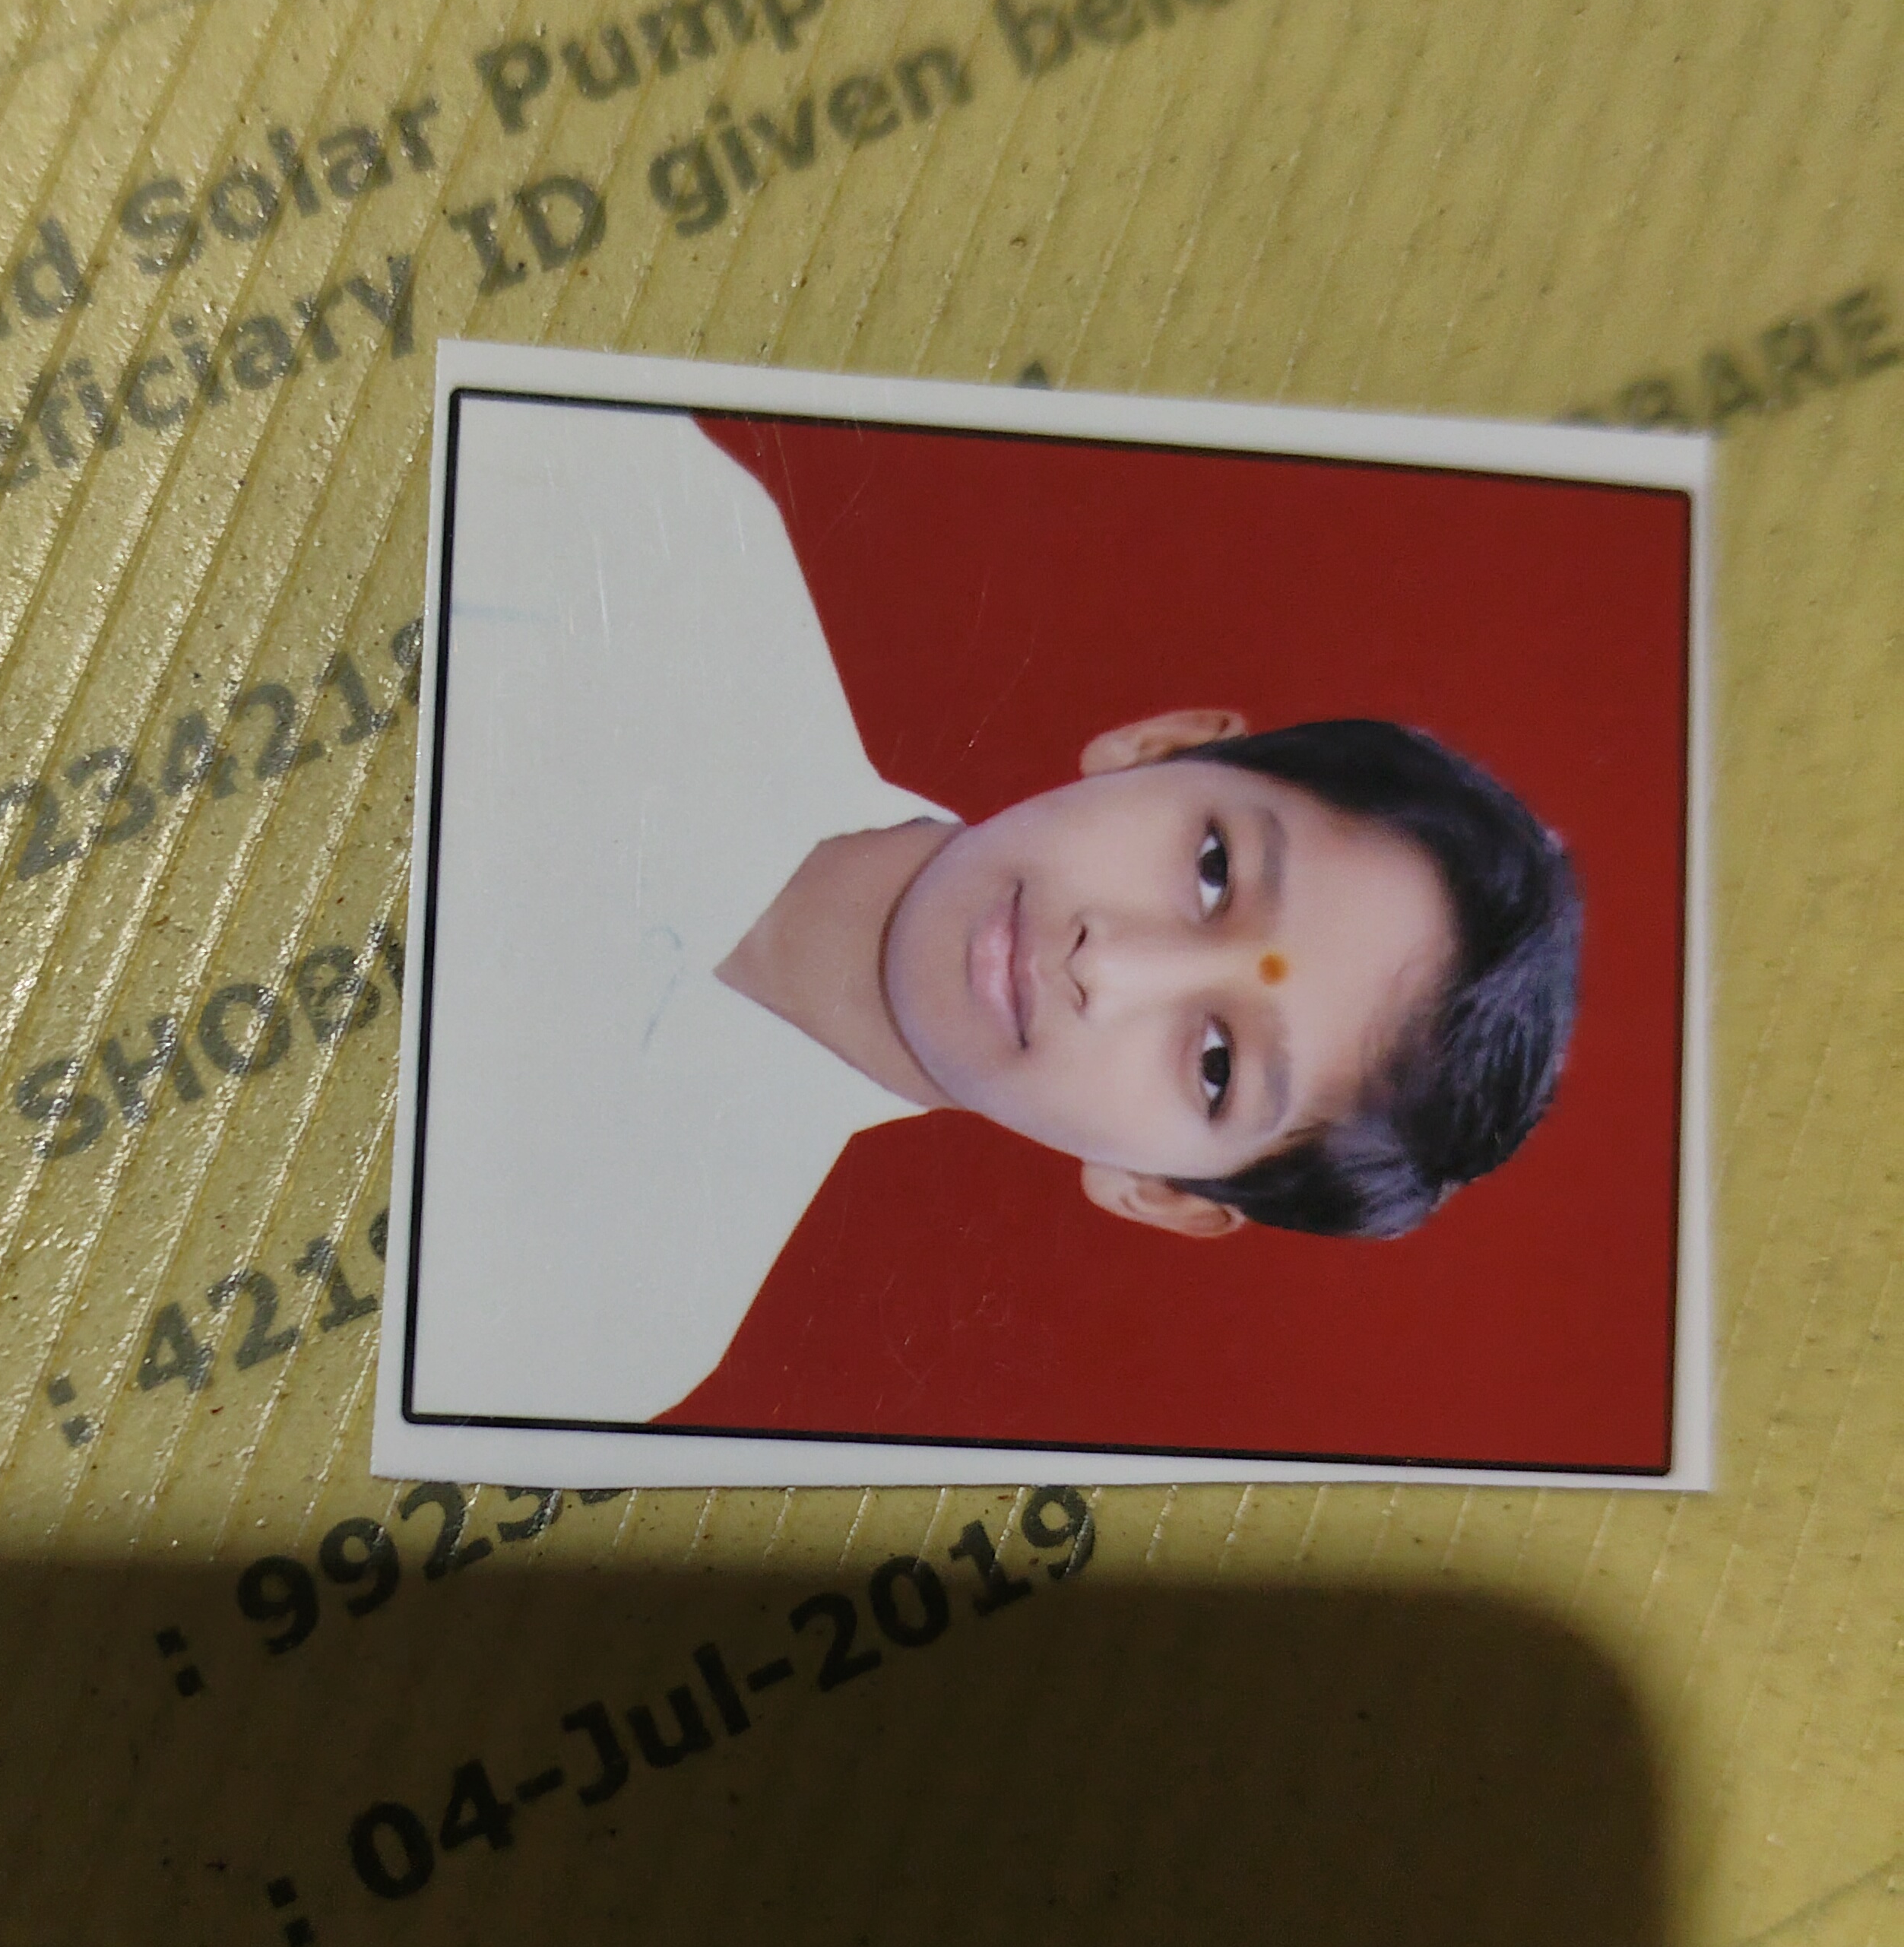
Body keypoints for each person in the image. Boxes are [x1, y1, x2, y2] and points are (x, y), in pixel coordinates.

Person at [403, 397, 1581, 1427]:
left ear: (1159, 1192)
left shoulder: (619, 1325)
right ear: (1158, 748)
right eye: (1214, 869)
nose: (1109, 967)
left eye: (1218, 1067)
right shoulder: (654, 519)